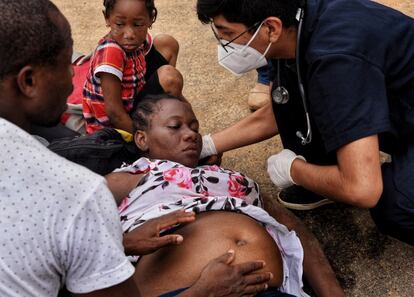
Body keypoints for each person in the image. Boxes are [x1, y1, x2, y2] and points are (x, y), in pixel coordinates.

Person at [0, 1, 291, 296]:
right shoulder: (77, 192)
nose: (77, 80)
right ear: (28, 81)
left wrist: (121, 242)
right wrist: (201, 292)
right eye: (67, 67)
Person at [195, 0, 414, 245]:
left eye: (228, 33)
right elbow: (279, 109)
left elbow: (363, 189)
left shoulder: (336, 62)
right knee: (296, 105)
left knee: (396, 205)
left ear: (270, 28)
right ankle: (329, 176)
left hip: (395, 110)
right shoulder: (294, 25)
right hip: (397, 105)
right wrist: (208, 145)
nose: (224, 44)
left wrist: (295, 170)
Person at [106, 94, 345, 297]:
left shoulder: (232, 179)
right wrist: (123, 242)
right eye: (175, 126)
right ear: (142, 139)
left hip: (263, 289)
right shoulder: (136, 175)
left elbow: (295, 232)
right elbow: (73, 228)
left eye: (194, 127)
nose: (191, 134)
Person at [83, 0, 184, 134]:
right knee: (170, 78)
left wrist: (183, 102)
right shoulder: (111, 52)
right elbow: (114, 114)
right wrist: (145, 141)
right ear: (107, 18)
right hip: (117, 125)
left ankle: (168, 108)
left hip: (133, 98)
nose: (129, 34)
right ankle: (164, 126)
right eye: (119, 24)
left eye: (138, 24)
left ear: (151, 18)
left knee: (166, 43)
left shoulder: (139, 40)